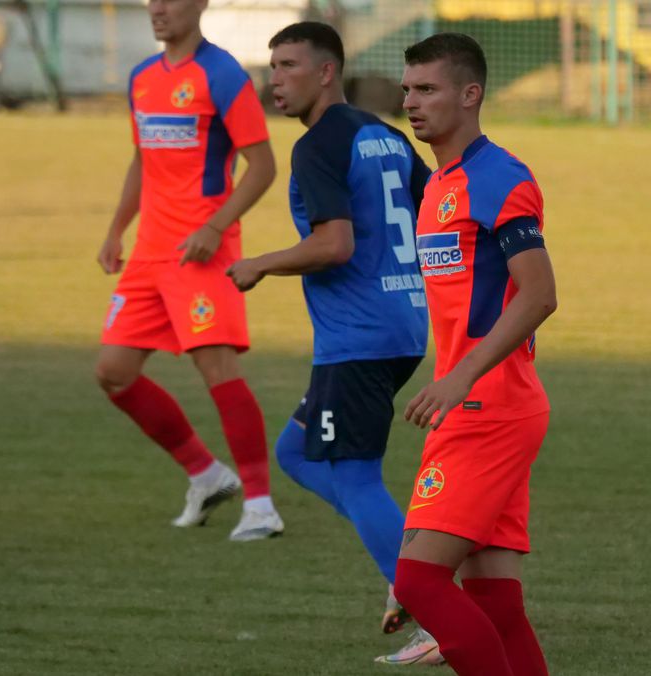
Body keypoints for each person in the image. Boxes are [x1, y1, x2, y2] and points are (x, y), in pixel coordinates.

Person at [225, 22, 443, 664]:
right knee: (296, 452)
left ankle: (431, 603)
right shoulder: (387, 135)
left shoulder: (318, 146)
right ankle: (408, 562)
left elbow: (334, 245)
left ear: (326, 72)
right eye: (272, 66)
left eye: (288, 65)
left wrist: (260, 263)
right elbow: (434, 221)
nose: (275, 80)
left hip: (359, 337)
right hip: (402, 325)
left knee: (353, 474)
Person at [388, 33, 557, 676]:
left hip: (490, 406)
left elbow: (539, 295)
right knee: (495, 599)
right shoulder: (439, 186)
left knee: (420, 585)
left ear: (471, 94)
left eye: (427, 89)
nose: (411, 101)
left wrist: (460, 376)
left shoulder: (500, 179)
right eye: (407, 89)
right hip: (476, 404)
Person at [94, 0, 285, 541]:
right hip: (151, 254)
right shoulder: (142, 77)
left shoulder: (222, 74)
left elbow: (264, 166)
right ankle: (205, 474)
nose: (157, 9)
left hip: (203, 254)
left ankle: (262, 506)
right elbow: (142, 159)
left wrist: (215, 226)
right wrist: (116, 230)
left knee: (217, 371)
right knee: (113, 372)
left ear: (200, 4)